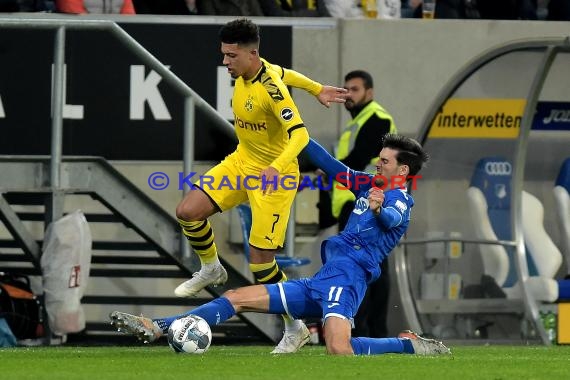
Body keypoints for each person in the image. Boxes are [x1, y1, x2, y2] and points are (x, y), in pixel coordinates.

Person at [110, 135, 449, 356]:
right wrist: (295, 131)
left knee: (339, 350)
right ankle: (159, 328)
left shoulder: (401, 199)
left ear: (403, 170)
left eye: (386, 161)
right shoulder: (366, 184)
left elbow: (392, 218)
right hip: (322, 279)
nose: (378, 162)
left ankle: (407, 346)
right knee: (235, 298)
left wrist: (378, 208)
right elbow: (328, 164)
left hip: (346, 283)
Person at [172, 18, 348, 354]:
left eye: (231, 56)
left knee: (260, 262)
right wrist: (316, 88)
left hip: (276, 176)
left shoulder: (271, 89)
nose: (225, 62)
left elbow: (300, 135)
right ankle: (211, 267)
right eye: (224, 55)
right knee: (188, 211)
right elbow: (285, 71)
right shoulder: (256, 69)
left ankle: (295, 328)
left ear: (251, 54)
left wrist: (276, 166)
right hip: (242, 161)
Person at [332, 70, 396, 339]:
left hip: (367, 203)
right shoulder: (357, 122)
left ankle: (371, 330)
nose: (348, 95)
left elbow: (356, 161)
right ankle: (368, 330)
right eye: (345, 89)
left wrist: (322, 165)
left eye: (355, 89)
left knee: (369, 267)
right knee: (365, 266)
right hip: (356, 203)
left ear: (369, 93)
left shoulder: (377, 118)